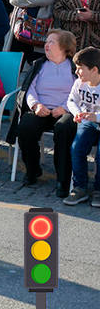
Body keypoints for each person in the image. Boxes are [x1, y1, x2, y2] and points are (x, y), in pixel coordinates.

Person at [6, 30, 77, 194]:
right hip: (41, 109)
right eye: (47, 41)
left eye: (52, 42)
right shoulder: (39, 64)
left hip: (66, 111)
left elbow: (78, 92)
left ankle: (63, 180)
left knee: (64, 128)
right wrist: (36, 105)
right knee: (26, 126)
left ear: (64, 47)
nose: (47, 44)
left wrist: (65, 107)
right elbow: (29, 89)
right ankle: (32, 169)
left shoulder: (74, 67)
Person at [64, 46, 100, 208]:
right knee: (77, 148)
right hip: (88, 121)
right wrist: (77, 113)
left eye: (80, 69)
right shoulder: (80, 83)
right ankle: (80, 187)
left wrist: (97, 116)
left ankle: (99, 189)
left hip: (96, 118)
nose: (76, 72)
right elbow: (71, 100)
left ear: (94, 70)